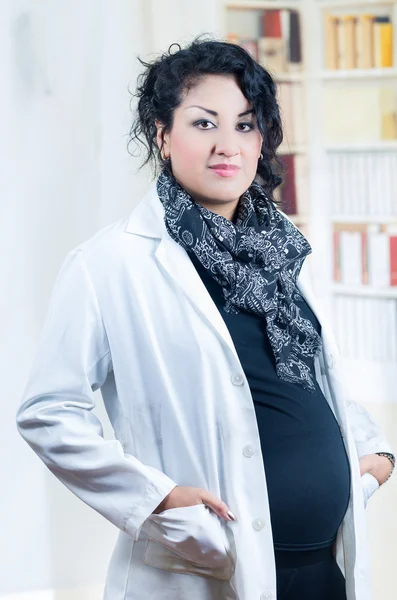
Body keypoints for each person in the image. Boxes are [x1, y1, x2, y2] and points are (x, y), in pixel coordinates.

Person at [16, 37, 394, 600]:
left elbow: (310, 380)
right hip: (208, 570)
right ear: (162, 134)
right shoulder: (110, 264)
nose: (227, 147)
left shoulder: (283, 249)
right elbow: (48, 411)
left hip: (323, 567)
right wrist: (156, 498)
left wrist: (374, 457)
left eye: (245, 126)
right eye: (203, 123)